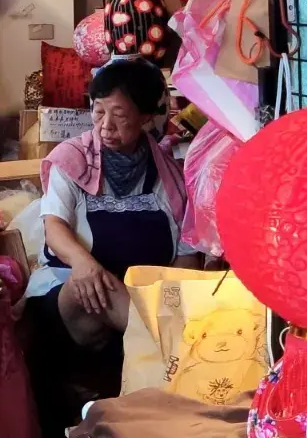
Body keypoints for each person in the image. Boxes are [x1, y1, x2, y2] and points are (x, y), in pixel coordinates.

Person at [24, 60, 194, 428]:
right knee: (87, 283)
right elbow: (54, 226)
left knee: (132, 298)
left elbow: (186, 254)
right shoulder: (72, 158)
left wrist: (172, 296)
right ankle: (174, 355)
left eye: (119, 114)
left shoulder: (169, 173)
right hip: (73, 292)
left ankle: (152, 364)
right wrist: (83, 262)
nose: (105, 126)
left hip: (143, 297)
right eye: (98, 111)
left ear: (146, 116)